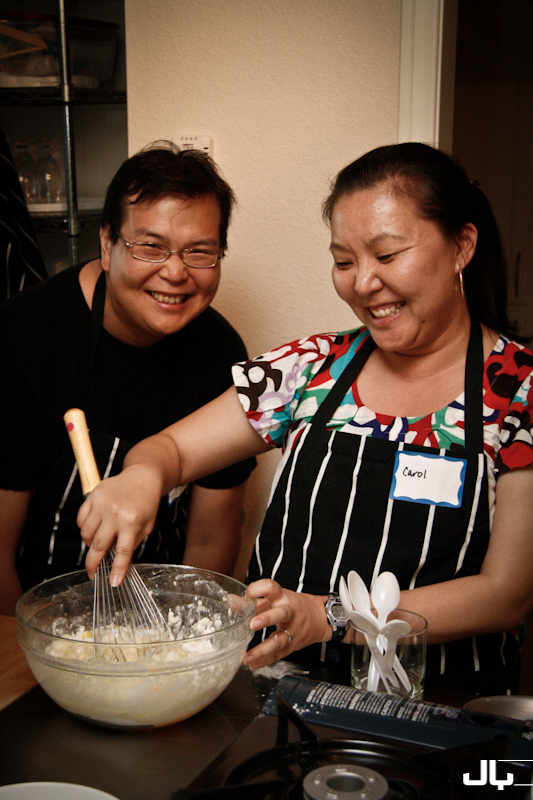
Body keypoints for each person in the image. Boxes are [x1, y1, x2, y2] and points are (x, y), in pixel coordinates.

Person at [74, 143, 533, 695]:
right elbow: (169, 450)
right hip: (277, 696)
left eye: (386, 256)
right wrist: (144, 475)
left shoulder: (520, 387)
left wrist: (329, 617)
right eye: (344, 261)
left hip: (448, 707)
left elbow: (507, 594)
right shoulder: (311, 368)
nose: (363, 283)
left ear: (462, 245)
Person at [0, 141, 255, 615]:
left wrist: (181, 637)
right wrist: (35, 650)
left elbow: (208, 536)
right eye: (151, 247)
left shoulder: (222, 354)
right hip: (28, 615)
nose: (175, 272)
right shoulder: (24, 337)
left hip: (154, 619)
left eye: (200, 252)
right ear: (106, 243)